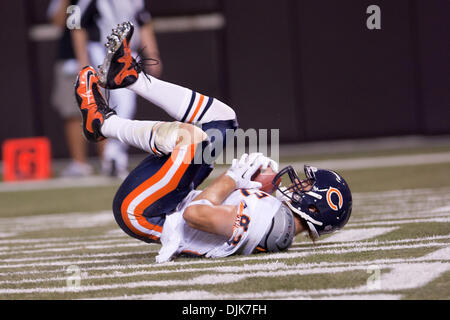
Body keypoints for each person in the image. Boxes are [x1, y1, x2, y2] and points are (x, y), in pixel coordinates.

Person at [74, 22, 353, 263]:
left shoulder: (275, 228)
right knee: (223, 120)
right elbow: (215, 206)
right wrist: (250, 180)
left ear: (314, 208)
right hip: (173, 200)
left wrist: (233, 178)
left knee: (190, 139)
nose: (298, 183)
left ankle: (102, 123)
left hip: (146, 211)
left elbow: (196, 215)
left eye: (307, 185)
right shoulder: (276, 217)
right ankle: (128, 76)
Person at [72, 0, 162, 177]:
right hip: (101, 52)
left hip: (128, 53)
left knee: (127, 105)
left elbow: (143, 23)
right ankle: (113, 156)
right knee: (119, 102)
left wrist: (152, 53)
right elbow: (77, 25)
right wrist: (82, 60)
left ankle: (113, 156)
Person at [48, 0, 96, 176]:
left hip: (101, 54)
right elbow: (60, 22)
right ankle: (79, 163)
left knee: (105, 111)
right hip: (71, 59)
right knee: (73, 112)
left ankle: (110, 159)